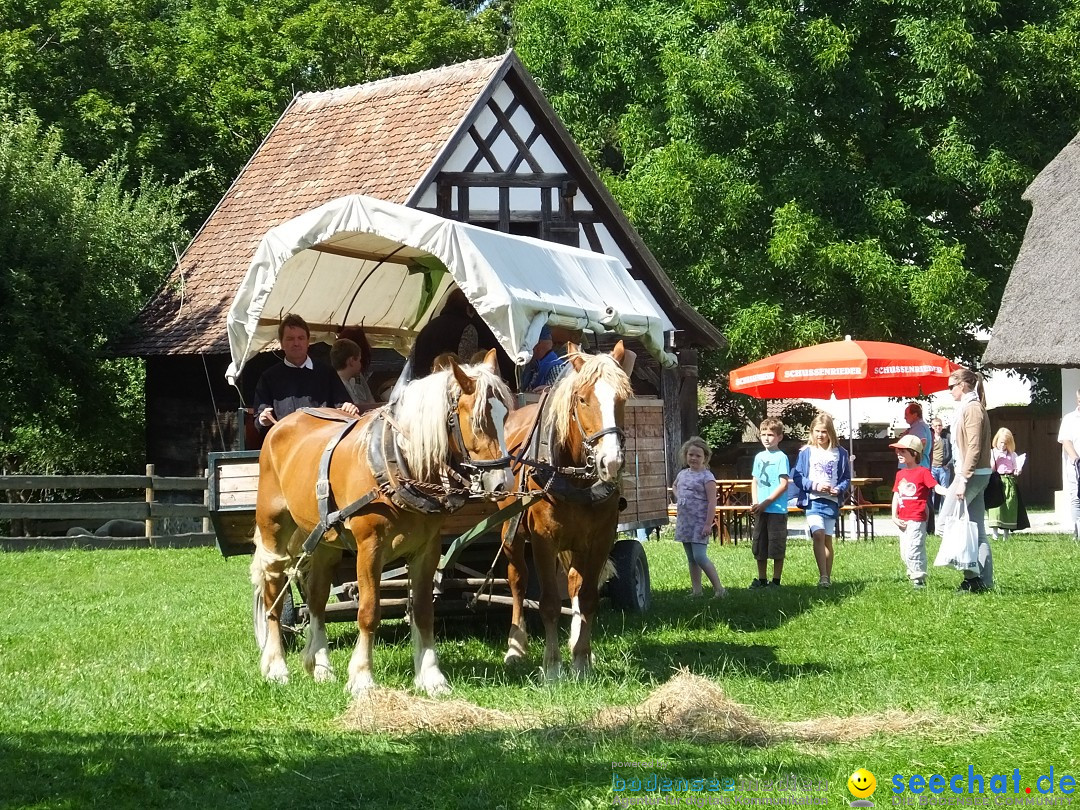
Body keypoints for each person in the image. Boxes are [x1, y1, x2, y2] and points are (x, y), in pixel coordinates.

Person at [254, 314, 359, 433]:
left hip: (321, 442)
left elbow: (342, 405)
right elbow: (258, 421)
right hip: (287, 445)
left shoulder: (326, 372)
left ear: (308, 342)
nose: (296, 343)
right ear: (281, 344)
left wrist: (348, 407)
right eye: (290, 339)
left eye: (301, 338)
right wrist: (263, 420)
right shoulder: (269, 377)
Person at [941, 365, 993, 592]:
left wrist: (963, 478)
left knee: (945, 524)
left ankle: (971, 578)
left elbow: (973, 447)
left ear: (963, 385)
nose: (949, 391)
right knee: (976, 529)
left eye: (951, 386)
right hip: (976, 474)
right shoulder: (970, 406)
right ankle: (982, 582)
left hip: (970, 475)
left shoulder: (972, 408)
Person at [792, 413, 851, 589]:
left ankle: (827, 577)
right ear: (812, 432)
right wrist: (815, 485)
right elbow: (797, 476)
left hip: (831, 501)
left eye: (824, 431)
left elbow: (846, 478)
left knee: (827, 539)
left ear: (830, 432)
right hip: (813, 500)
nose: (820, 435)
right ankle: (823, 575)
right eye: (817, 431)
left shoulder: (840, 453)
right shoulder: (806, 452)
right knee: (817, 534)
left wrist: (839, 489)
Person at [411, 288, 513, 381]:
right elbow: (467, 365)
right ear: (469, 308)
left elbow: (412, 360)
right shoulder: (468, 328)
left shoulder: (427, 327)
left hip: (421, 385)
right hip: (448, 386)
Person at [671, 436, 727, 598]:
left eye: (698, 456)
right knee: (691, 558)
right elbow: (675, 486)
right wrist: (678, 496)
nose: (694, 458)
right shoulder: (682, 473)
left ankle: (720, 589)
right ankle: (697, 590)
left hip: (699, 521)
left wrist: (708, 524)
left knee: (700, 556)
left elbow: (712, 502)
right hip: (685, 521)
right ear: (685, 455)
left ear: (705, 458)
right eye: (691, 455)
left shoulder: (707, 477)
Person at [890, 435, 948, 589]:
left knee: (914, 547)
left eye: (902, 452)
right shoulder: (900, 474)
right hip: (902, 519)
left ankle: (919, 578)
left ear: (914, 453)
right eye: (897, 451)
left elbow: (935, 487)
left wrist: (948, 492)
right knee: (904, 551)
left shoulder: (923, 472)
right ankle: (912, 572)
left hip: (917, 517)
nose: (898, 454)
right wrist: (894, 516)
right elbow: (896, 494)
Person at [749, 417, 791, 589]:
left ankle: (776, 580)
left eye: (771, 435)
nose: (766, 438)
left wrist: (767, 502)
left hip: (776, 509)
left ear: (779, 437)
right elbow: (755, 480)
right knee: (760, 544)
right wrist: (756, 502)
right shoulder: (759, 457)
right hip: (761, 509)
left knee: (776, 544)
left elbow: (783, 484)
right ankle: (761, 579)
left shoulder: (781, 457)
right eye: (763, 434)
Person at [988, 428, 1022, 540]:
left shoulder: (1012, 454)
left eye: (1005, 443)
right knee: (996, 506)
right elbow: (991, 468)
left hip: (1009, 480)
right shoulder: (992, 452)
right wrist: (996, 459)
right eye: (1001, 442)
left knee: (1009, 505)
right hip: (997, 480)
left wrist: (1017, 470)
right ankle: (995, 532)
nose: (1003, 445)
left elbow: (1016, 467)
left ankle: (1006, 533)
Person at [1057, 388, 1080, 539]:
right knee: (1076, 497)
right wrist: (1076, 459)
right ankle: (1077, 530)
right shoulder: (1070, 418)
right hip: (1075, 466)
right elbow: (1066, 441)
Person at [520, 325, 567, 392]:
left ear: (537, 343)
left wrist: (551, 391)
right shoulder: (534, 365)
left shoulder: (556, 367)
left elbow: (563, 393)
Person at [330, 338, 375, 407]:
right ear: (351, 361)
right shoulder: (338, 388)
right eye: (359, 360)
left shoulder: (335, 383)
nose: (360, 364)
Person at [929, 416, 953, 513]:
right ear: (932, 427)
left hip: (944, 467)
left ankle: (944, 511)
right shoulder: (930, 438)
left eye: (939, 425)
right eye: (936, 426)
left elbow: (953, 451)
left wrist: (948, 464)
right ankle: (932, 511)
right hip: (933, 467)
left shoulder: (946, 438)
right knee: (932, 490)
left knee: (945, 490)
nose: (938, 427)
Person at [900, 402, 933, 470]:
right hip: (916, 467)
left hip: (916, 468)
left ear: (915, 415)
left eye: (906, 414)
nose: (904, 417)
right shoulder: (918, 427)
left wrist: (912, 460)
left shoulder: (919, 427)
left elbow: (922, 442)